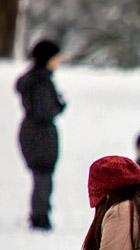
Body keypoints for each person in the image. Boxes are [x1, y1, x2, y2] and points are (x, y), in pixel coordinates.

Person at [15, 38, 66, 230]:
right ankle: (40, 217)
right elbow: (44, 111)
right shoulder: (41, 81)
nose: (59, 60)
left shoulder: (36, 80)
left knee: (41, 175)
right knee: (43, 175)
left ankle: (40, 212)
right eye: (56, 57)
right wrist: (59, 106)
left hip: (32, 132)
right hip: (40, 134)